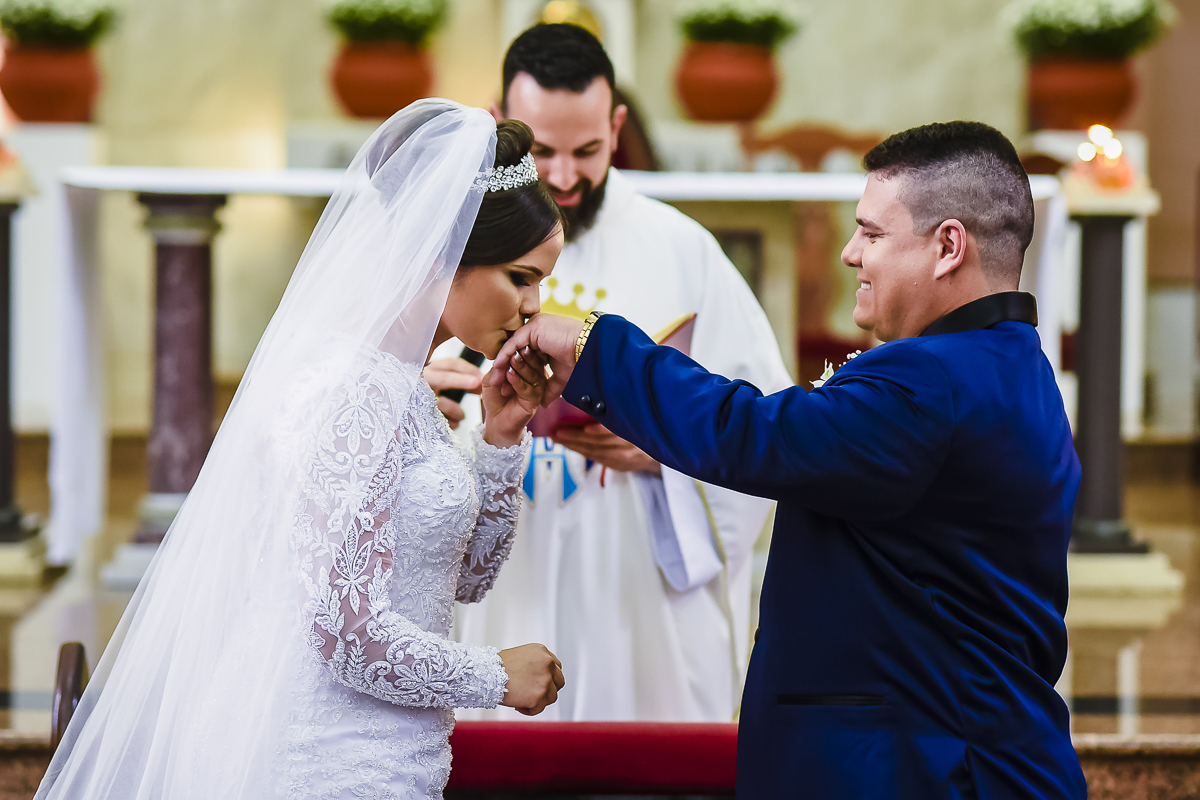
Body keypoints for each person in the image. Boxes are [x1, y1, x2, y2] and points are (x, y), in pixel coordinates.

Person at [496, 121, 1087, 798]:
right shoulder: (1017, 367)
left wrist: (595, 348)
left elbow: (754, 435)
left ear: (948, 246)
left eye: (871, 232)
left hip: (925, 769)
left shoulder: (932, 385)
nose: (848, 252)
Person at [37, 102, 567, 800]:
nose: (535, 307)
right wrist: (497, 675)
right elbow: (344, 630)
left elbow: (455, 582)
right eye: (522, 278)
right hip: (325, 764)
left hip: (395, 757)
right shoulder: (356, 393)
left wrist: (500, 440)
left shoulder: (398, 384)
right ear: (445, 251)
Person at [447, 23, 794, 724]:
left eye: (588, 151)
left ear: (618, 125)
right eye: (543, 152)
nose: (567, 178)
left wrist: (666, 446)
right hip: (511, 566)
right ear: (500, 123)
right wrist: (458, 417)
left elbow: (767, 431)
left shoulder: (684, 253)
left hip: (640, 578)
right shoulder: (459, 247)